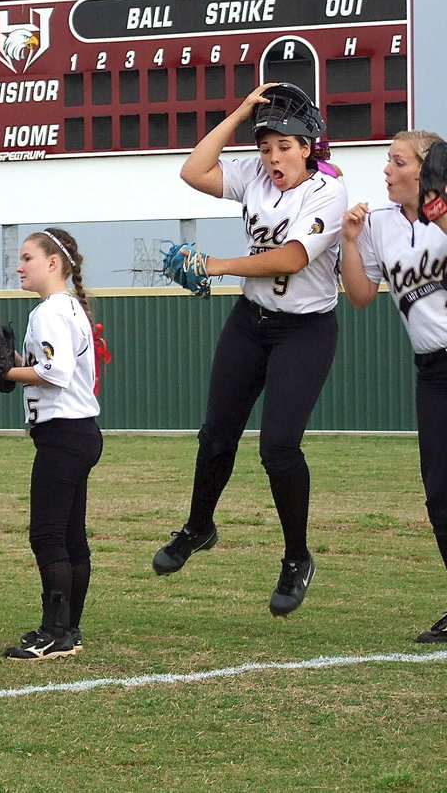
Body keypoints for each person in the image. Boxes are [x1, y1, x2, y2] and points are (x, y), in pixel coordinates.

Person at [151, 82, 348, 617]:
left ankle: (296, 557)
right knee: (216, 435)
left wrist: (215, 265)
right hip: (250, 321)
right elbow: (194, 170)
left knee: (278, 448)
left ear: (308, 146)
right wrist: (239, 112)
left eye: (285, 145)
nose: (273, 156)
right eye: (266, 147)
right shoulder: (257, 177)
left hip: (305, 329)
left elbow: (290, 258)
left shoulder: (329, 190)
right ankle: (199, 526)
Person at [339, 130, 447, 642]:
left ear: (425, 171)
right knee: (440, 495)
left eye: (397, 161)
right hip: (432, 371)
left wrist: (439, 208)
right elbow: (360, 296)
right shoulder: (379, 224)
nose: (385, 169)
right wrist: (351, 242)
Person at [0, 228, 102, 659]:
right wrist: (19, 364)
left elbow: (54, 373)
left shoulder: (49, 312)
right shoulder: (69, 307)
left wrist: (5, 371)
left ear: (53, 263)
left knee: (47, 534)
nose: (19, 266)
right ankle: (68, 629)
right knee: (70, 534)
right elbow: (55, 366)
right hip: (79, 431)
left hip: (63, 434)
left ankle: (55, 632)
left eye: (27, 258)